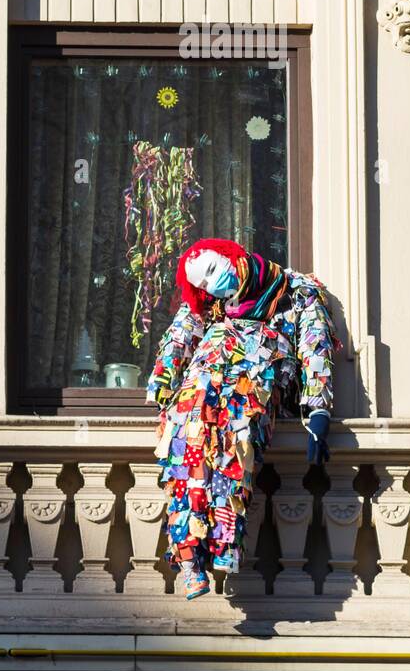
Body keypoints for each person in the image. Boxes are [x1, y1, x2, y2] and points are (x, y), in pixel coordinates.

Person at [146, 236, 343, 599]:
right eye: (200, 283)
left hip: (255, 380)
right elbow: (179, 336)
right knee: (188, 446)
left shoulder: (293, 290)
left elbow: (315, 344)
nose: (208, 286)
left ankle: (222, 547)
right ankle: (190, 557)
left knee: (232, 450)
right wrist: (162, 378)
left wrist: (317, 410)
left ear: (231, 257)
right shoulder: (208, 305)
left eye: (210, 273)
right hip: (203, 380)